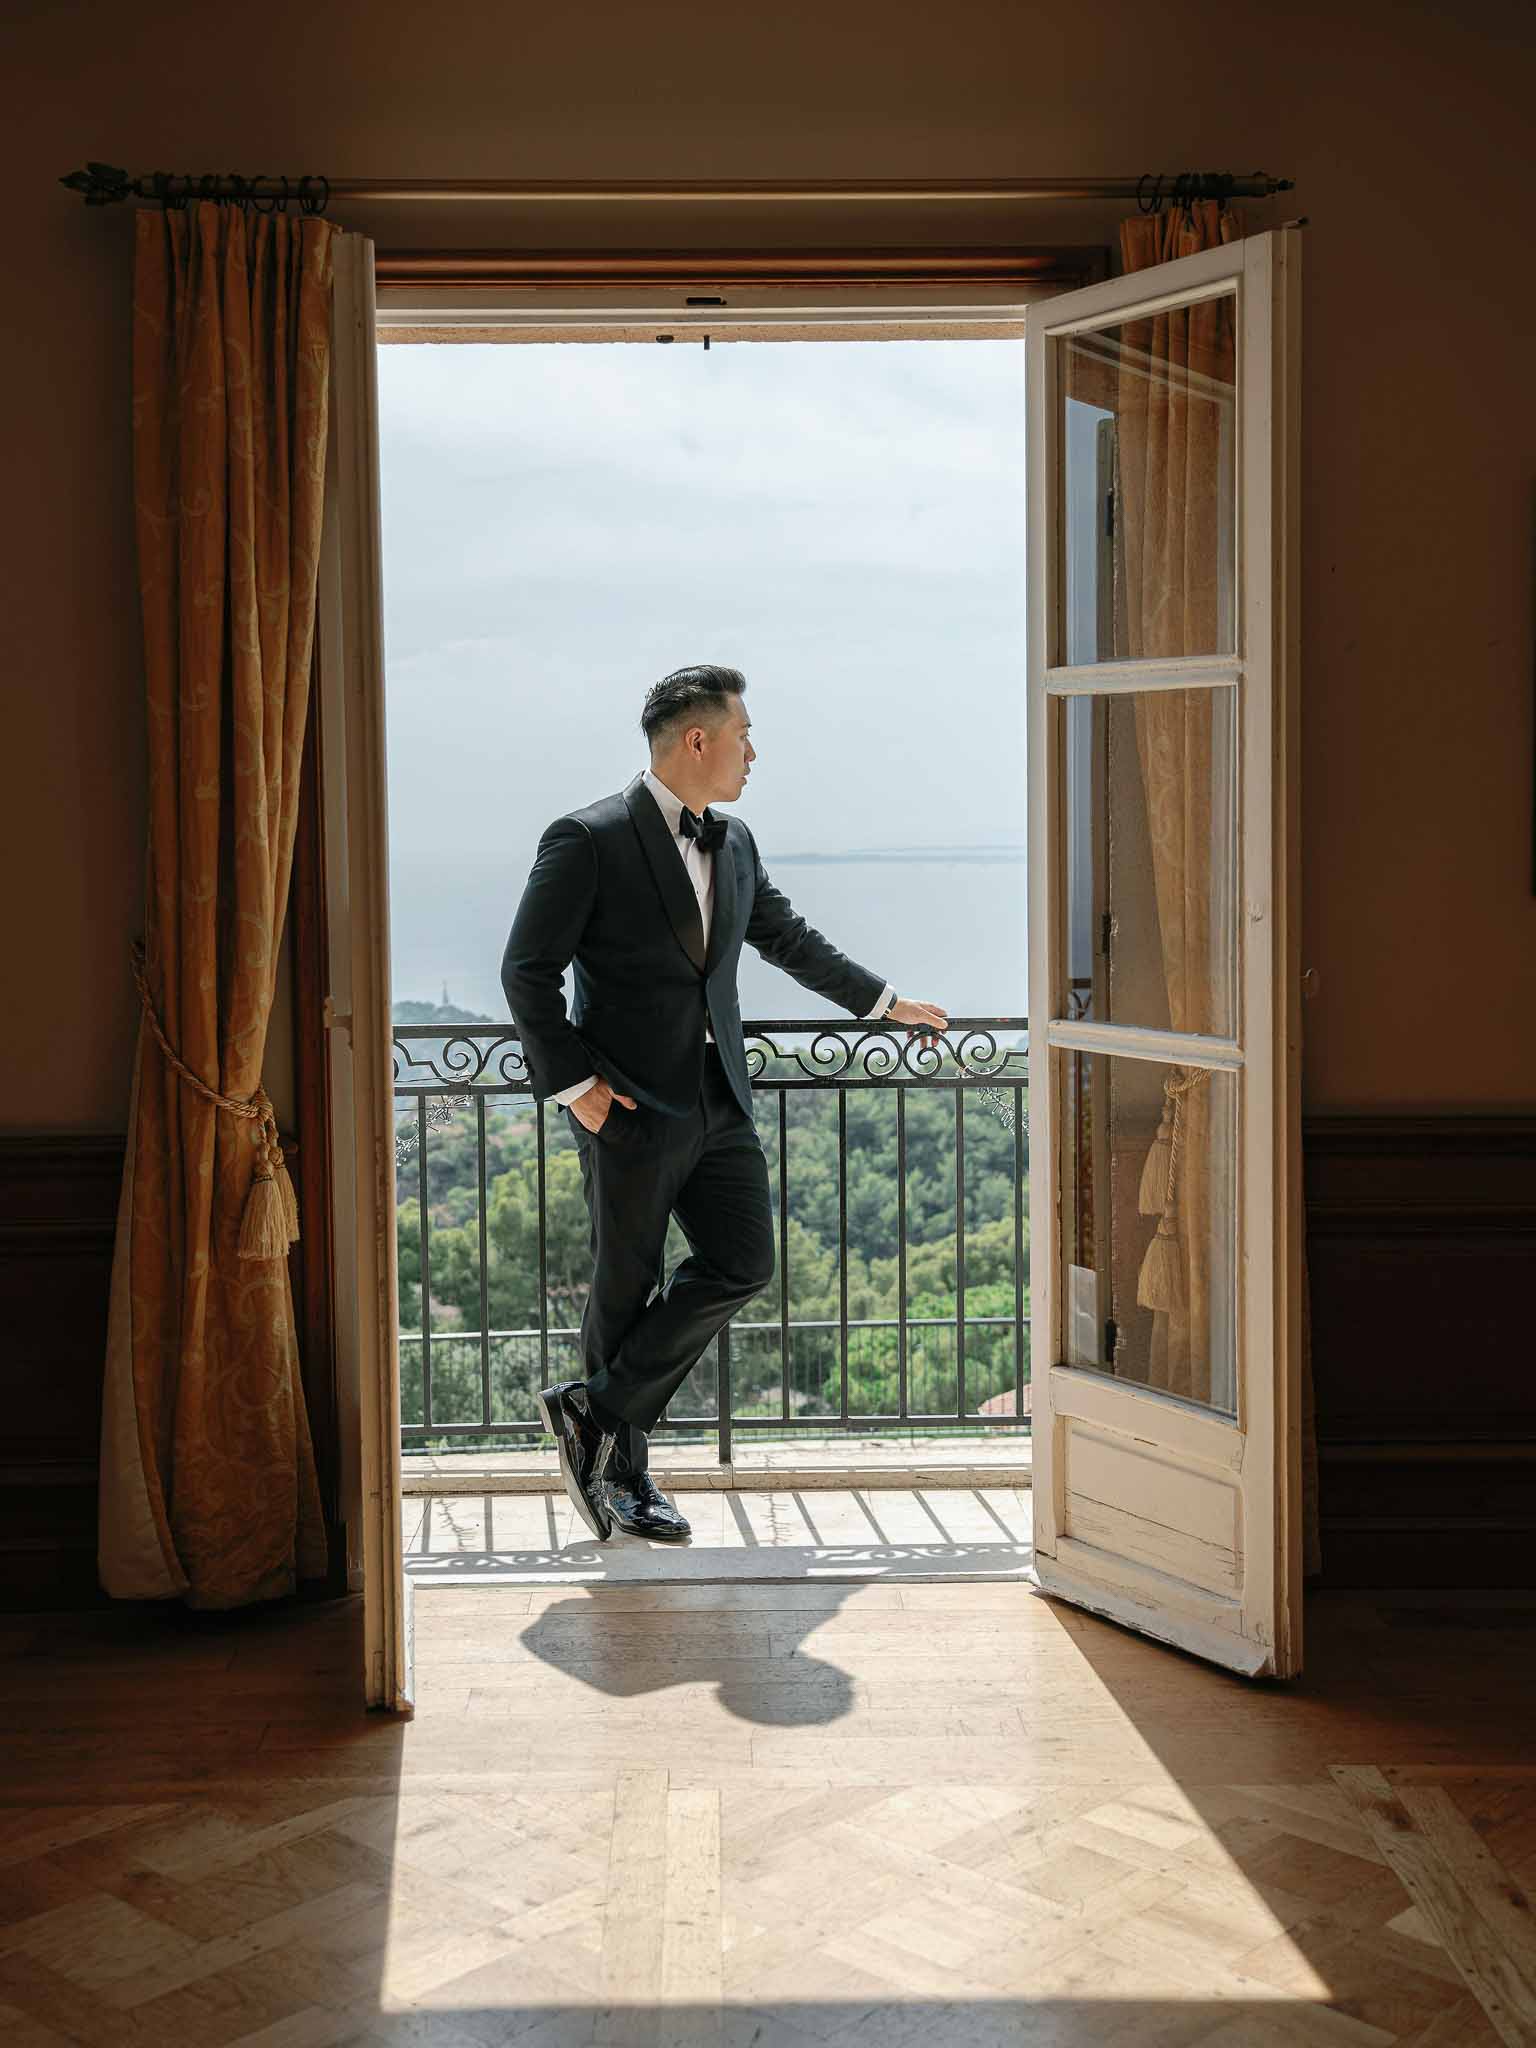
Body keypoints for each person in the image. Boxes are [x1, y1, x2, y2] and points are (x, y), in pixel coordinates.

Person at [501, 664, 948, 1543]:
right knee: (625, 1286)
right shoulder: (587, 838)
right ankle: (623, 1477)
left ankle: (593, 1409)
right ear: (698, 740)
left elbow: (787, 939)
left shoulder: (734, 840)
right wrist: (576, 1087)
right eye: (744, 733)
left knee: (744, 1263)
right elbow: (527, 969)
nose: (754, 751)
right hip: (625, 1105)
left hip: (721, 1099)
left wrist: (885, 1003)